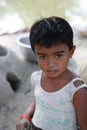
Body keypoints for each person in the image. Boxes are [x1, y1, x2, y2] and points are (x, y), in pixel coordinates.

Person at [16, 16, 87, 130]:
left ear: (71, 52)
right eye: (43, 56)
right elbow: (39, 100)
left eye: (58, 55)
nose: (51, 64)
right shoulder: (36, 77)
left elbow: (84, 126)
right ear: (35, 54)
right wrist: (26, 116)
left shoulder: (76, 90)